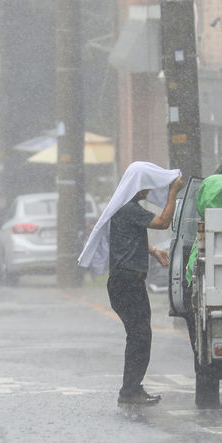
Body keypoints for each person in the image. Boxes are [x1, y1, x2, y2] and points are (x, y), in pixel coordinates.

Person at [78, 161, 183, 406]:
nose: (148, 190)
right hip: (127, 282)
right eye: (146, 185)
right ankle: (129, 392)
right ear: (138, 186)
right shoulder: (130, 209)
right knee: (140, 336)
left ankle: (133, 387)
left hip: (125, 281)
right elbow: (163, 222)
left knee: (139, 335)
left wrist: (153, 250)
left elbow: (129, 239)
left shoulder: (125, 209)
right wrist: (173, 192)